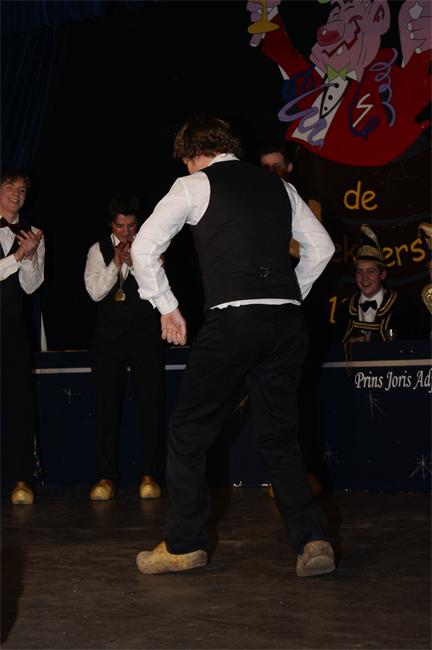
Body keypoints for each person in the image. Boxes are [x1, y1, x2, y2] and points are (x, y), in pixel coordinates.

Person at [131, 115, 336, 577]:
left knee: (188, 431)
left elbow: (143, 249)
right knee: (280, 436)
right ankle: (312, 539)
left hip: (235, 322)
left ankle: (185, 544)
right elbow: (321, 249)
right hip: (286, 325)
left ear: (192, 154)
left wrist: (167, 307)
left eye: (185, 162)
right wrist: (291, 293)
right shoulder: (279, 187)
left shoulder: (194, 185)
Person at [84, 194, 163, 501]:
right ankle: (105, 477)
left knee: (150, 405)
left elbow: (160, 292)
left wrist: (139, 265)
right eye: (121, 226)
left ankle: (149, 475)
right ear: (111, 225)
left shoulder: (152, 247)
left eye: (132, 226)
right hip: (108, 339)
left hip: (145, 336)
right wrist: (116, 263)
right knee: (106, 407)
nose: (127, 232)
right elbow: (94, 293)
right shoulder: (97, 250)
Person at [0, 170, 45, 505]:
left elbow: (32, 286)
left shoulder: (33, 234)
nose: (16, 194)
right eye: (9, 187)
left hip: (12, 327)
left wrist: (29, 258)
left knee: (19, 402)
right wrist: (16, 257)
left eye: (22, 190)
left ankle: (21, 480)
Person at [338, 224, 417, 343]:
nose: (364, 278)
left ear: (383, 274)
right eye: (359, 272)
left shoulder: (403, 307)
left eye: (370, 271)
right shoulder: (344, 308)